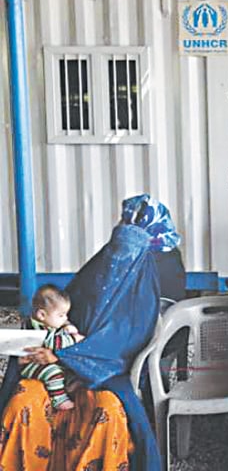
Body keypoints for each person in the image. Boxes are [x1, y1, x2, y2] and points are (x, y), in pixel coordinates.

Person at [0, 194, 181, 471]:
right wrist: (37, 344)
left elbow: (123, 349)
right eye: (117, 243)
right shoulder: (96, 271)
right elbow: (56, 313)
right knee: (23, 399)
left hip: (106, 377)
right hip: (54, 370)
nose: (117, 258)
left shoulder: (142, 296)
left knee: (107, 411)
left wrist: (63, 356)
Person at [20, 284, 85, 411]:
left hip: (42, 362)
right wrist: (74, 338)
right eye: (61, 315)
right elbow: (54, 343)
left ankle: (67, 386)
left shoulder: (46, 321)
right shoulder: (38, 327)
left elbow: (58, 328)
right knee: (54, 373)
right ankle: (59, 399)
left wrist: (66, 325)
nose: (65, 318)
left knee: (63, 369)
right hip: (32, 365)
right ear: (42, 315)